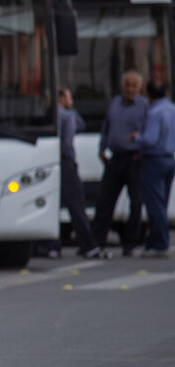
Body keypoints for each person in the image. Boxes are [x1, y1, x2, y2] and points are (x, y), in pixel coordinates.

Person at [92, 71, 148, 255]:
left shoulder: (144, 106)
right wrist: (102, 149)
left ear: (139, 88)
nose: (130, 89)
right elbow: (106, 127)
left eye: (133, 86)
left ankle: (130, 244)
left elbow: (148, 131)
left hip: (134, 159)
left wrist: (142, 148)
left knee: (136, 203)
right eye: (127, 85)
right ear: (122, 86)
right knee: (105, 202)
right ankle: (97, 242)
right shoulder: (115, 103)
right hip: (115, 159)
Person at [55, 87, 110, 259]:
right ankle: (89, 245)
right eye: (69, 98)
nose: (71, 101)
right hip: (66, 163)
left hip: (51, 162)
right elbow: (69, 139)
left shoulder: (53, 114)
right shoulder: (66, 116)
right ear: (62, 98)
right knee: (77, 205)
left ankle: (51, 246)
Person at [134, 81, 175, 256]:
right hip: (169, 158)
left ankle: (160, 243)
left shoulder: (153, 113)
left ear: (148, 95)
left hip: (154, 160)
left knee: (155, 205)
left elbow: (149, 139)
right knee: (162, 203)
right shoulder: (172, 109)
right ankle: (153, 241)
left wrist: (136, 138)